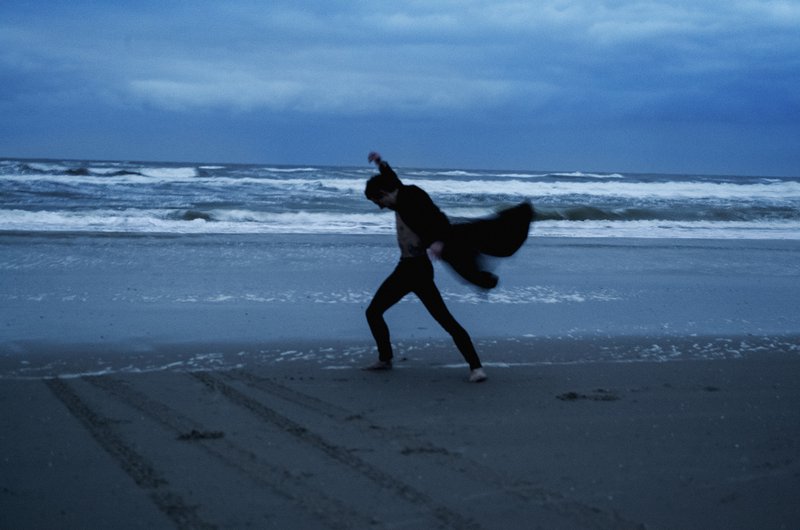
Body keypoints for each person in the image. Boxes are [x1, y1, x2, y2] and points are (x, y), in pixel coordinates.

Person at [363, 151, 489, 382]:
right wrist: (381, 164)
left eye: (378, 201)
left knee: (444, 319)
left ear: (383, 193)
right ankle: (385, 358)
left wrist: (439, 241)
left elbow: (437, 217)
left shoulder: (412, 196)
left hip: (417, 269)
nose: (380, 207)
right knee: (374, 312)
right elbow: (393, 180)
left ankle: (476, 367)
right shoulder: (399, 197)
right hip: (406, 268)